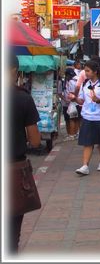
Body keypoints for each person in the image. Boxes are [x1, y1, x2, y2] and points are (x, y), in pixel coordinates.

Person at [10, 52, 41, 254]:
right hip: (12, 172)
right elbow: (36, 140)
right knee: (11, 234)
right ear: (14, 71)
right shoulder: (22, 98)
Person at [69, 59, 100, 175]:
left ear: (95, 71)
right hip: (88, 117)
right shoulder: (85, 84)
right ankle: (85, 166)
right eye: (85, 71)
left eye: (88, 71)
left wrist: (99, 100)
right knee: (88, 142)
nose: (86, 73)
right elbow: (81, 101)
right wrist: (74, 98)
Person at [59, 68, 80, 141]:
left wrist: (68, 99)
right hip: (77, 102)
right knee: (76, 118)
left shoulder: (71, 82)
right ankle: (76, 133)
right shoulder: (77, 80)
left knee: (71, 119)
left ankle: (71, 135)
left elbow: (71, 93)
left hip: (71, 103)